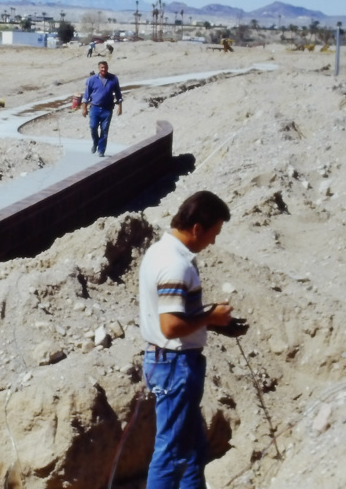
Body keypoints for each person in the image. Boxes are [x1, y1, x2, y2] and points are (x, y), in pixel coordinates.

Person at [138, 190, 234, 488]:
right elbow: (170, 326)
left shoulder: (160, 251)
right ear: (197, 228)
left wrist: (214, 322)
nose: (213, 241)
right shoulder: (175, 265)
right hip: (174, 366)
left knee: (192, 450)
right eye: (214, 233)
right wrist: (209, 318)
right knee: (171, 454)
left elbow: (173, 313)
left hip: (170, 362)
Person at [81, 60, 122, 157]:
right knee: (93, 127)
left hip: (107, 109)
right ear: (99, 68)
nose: (104, 69)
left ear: (107, 68)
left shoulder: (113, 79)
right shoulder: (92, 80)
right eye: (102, 67)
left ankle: (101, 150)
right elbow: (86, 95)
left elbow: (118, 94)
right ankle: (95, 142)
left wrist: (120, 107)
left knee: (104, 130)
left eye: (105, 67)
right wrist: (84, 108)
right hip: (94, 108)